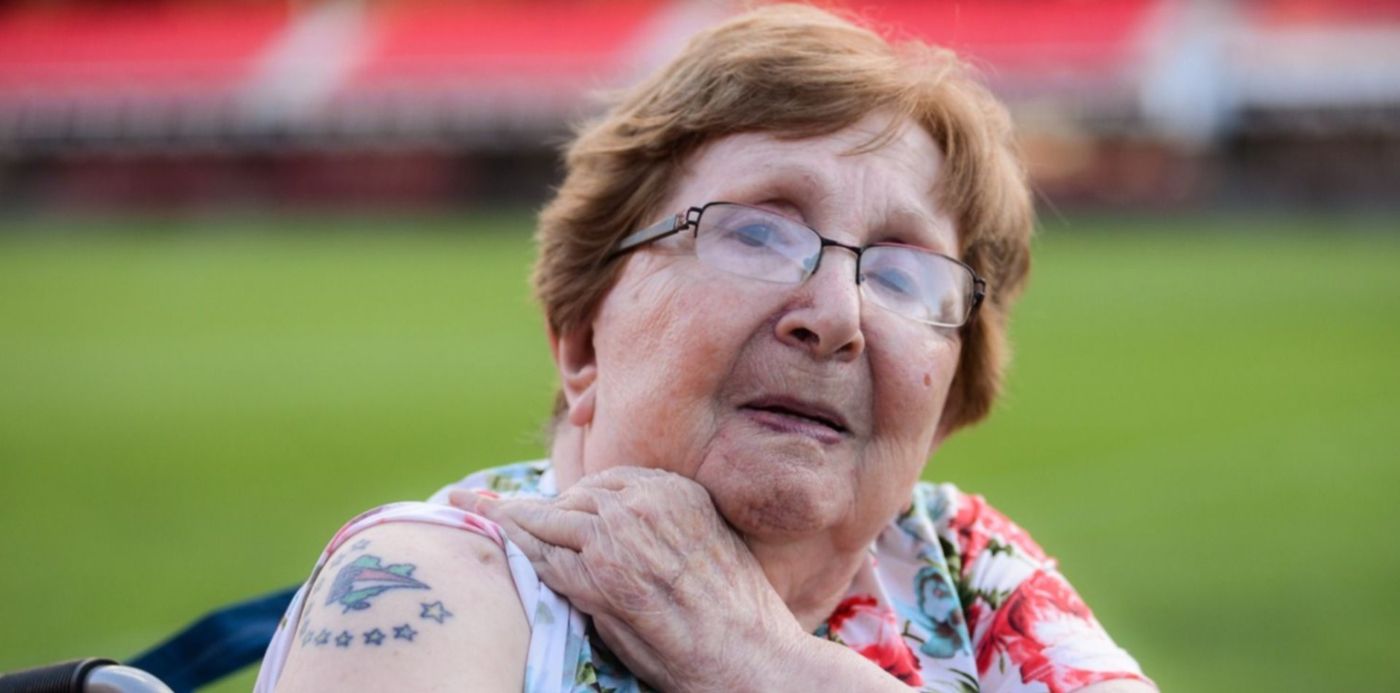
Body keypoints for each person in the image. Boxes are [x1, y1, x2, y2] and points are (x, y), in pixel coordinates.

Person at [256, 4, 1156, 691]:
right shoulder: (429, 588)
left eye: (903, 273)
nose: (837, 314)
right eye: (758, 232)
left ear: (948, 398)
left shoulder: (957, 562)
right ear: (582, 340)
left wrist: (767, 663)